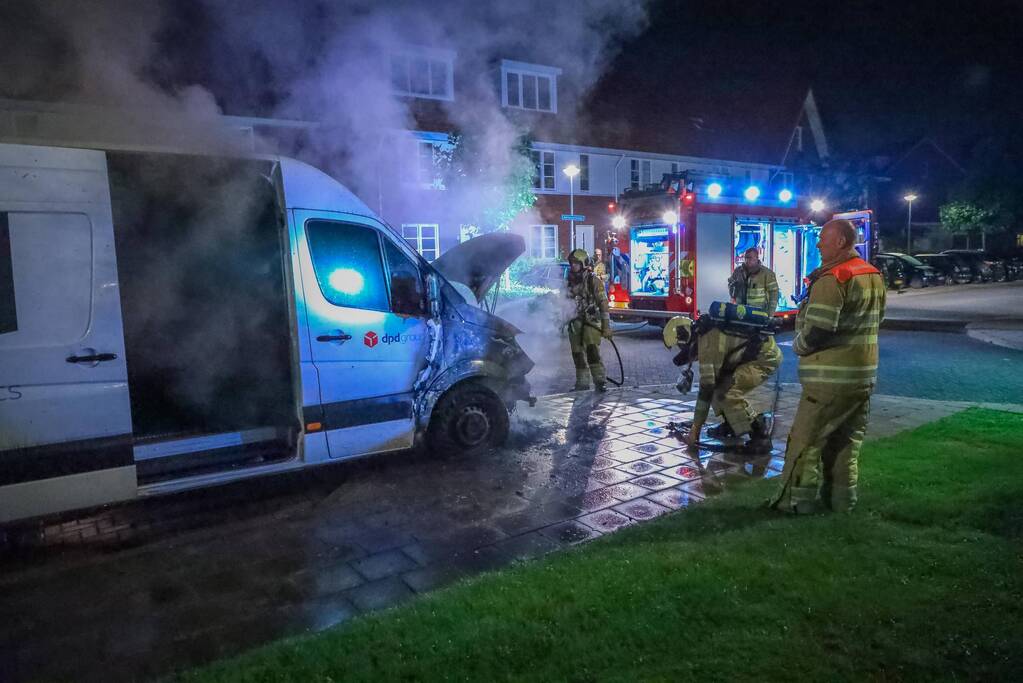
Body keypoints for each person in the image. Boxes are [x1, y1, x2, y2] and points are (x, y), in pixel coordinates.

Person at [770, 219, 886, 514]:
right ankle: (841, 502)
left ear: (842, 242)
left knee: (805, 443)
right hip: (862, 377)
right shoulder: (871, 274)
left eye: (824, 239)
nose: (818, 244)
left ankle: (797, 505)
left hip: (829, 381)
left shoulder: (836, 277)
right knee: (846, 442)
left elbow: (820, 328)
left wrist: (799, 346)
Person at [663, 305, 781, 454]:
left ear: (684, 337)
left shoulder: (706, 344)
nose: (682, 351)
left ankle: (759, 433)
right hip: (752, 356)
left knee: (728, 393)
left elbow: (705, 391)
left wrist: (695, 430)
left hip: (764, 359)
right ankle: (732, 423)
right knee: (718, 387)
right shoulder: (703, 333)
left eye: (680, 346)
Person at [565, 248, 612, 392]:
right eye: (572, 263)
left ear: (584, 264)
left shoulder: (594, 281)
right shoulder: (569, 281)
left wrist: (606, 327)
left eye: (576, 263)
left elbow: (603, 305)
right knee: (577, 354)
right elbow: (564, 301)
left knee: (592, 352)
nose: (573, 266)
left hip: (591, 322)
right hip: (575, 323)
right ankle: (582, 383)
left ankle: (600, 382)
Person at [728, 247, 780, 316]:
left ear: (756, 258)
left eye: (750, 258)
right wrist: (733, 288)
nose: (747, 260)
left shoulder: (767, 274)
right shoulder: (738, 272)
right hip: (740, 312)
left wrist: (770, 314)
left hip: (758, 313)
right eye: (745, 257)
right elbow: (731, 287)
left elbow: (774, 294)